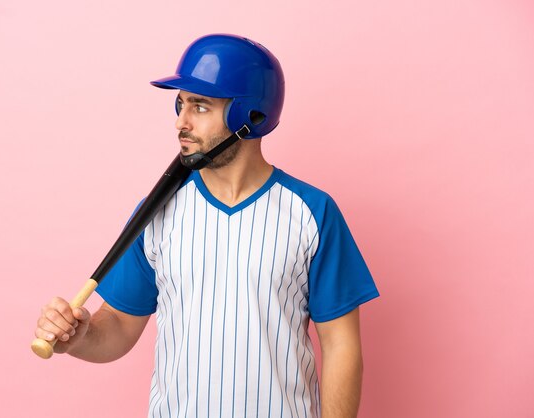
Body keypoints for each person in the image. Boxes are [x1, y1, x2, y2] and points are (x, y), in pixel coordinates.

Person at [34, 34, 379, 418]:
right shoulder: (155, 213)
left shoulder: (312, 212)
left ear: (250, 116)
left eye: (199, 106)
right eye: (180, 104)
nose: (181, 122)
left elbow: (341, 346)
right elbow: (118, 328)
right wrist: (81, 337)